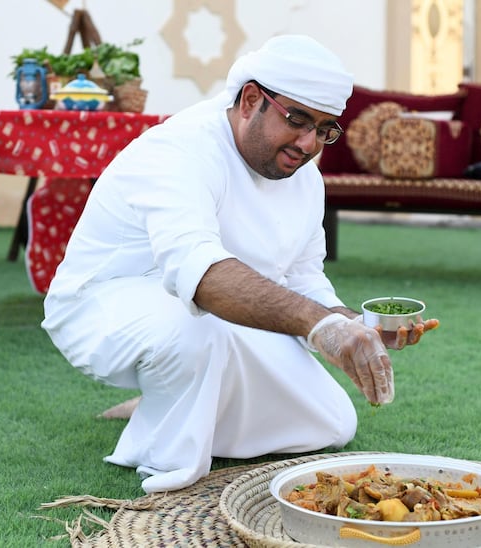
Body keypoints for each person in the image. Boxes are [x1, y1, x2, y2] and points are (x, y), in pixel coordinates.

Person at [41, 35, 439, 493]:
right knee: (195, 331)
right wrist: (320, 326)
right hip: (107, 302)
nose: (308, 144)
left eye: (325, 129)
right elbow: (202, 277)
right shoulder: (180, 149)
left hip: (221, 315)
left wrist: (353, 326)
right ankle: (166, 458)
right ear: (251, 99)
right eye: (298, 120)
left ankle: (172, 398)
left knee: (332, 422)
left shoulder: (304, 177)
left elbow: (304, 279)